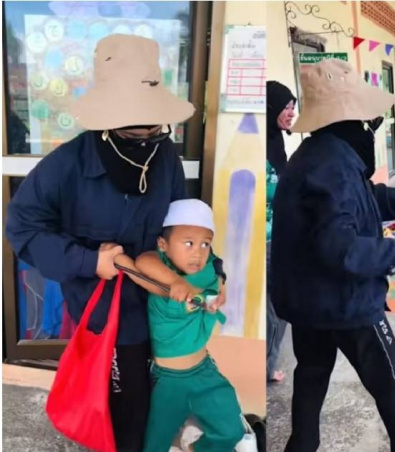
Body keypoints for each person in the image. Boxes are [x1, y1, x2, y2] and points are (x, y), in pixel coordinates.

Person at [5, 34, 227, 451]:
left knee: (160, 407)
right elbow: (22, 229)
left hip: (166, 310)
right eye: (133, 126)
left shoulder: (164, 156)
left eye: (152, 124)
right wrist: (90, 261)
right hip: (110, 317)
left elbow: (185, 229)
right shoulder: (65, 165)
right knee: (125, 413)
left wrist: (216, 274)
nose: (145, 133)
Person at [270, 58, 395, 452]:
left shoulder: (315, 155)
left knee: (312, 375)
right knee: (392, 386)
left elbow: (363, 201)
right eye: (370, 121)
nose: (372, 127)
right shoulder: (332, 165)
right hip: (345, 302)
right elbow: (341, 248)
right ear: (352, 121)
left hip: (307, 302)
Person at [114, 199, 244, 452]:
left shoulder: (205, 267)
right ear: (164, 245)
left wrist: (222, 281)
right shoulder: (163, 288)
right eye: (188, 243)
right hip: (169, 383)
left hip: (204, 372)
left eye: (205, 243)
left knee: (232, 431)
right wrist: (177, 283)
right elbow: (141, 263)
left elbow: (215, 263)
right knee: (154, 446)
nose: (198, 252)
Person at [266, 80, 296, 383]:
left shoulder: (275, 140)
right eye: (286, 107)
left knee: (275, 306)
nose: (290, 114)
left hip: (278, 233)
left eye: (292, 107)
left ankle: (266, 363)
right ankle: (266, 367)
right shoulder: (261, 143)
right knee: (277, 306)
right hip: (267, 238)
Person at [266, 80, 296, 177]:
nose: (292, 114)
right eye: (287, 108)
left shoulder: (276, 138)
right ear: (271, 109)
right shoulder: (256, 141)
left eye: (292, 108)